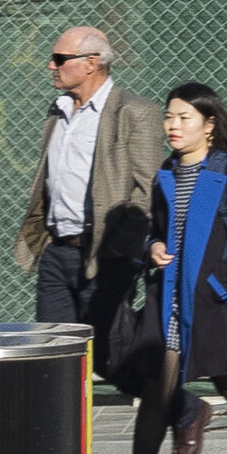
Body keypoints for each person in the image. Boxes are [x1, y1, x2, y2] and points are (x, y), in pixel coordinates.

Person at [114, 84, 227, 454]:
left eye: (184, 118)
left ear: (209, 126)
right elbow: (160, 231)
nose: (172, 126)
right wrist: (152, 247)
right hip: (168, 304)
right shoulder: (167, 173)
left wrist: (220, 283)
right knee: (155, 396)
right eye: (169, 117)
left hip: (216, 304)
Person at [17, 25, 156, 330]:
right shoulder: (59, 110)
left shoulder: (133, 112)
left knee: (106, 352)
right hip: (56, 251)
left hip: (104, 254)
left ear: (91, 64)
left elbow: (147, 188)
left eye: (59, 58)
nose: (51, 65)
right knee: (55, 349)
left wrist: (118, 247)